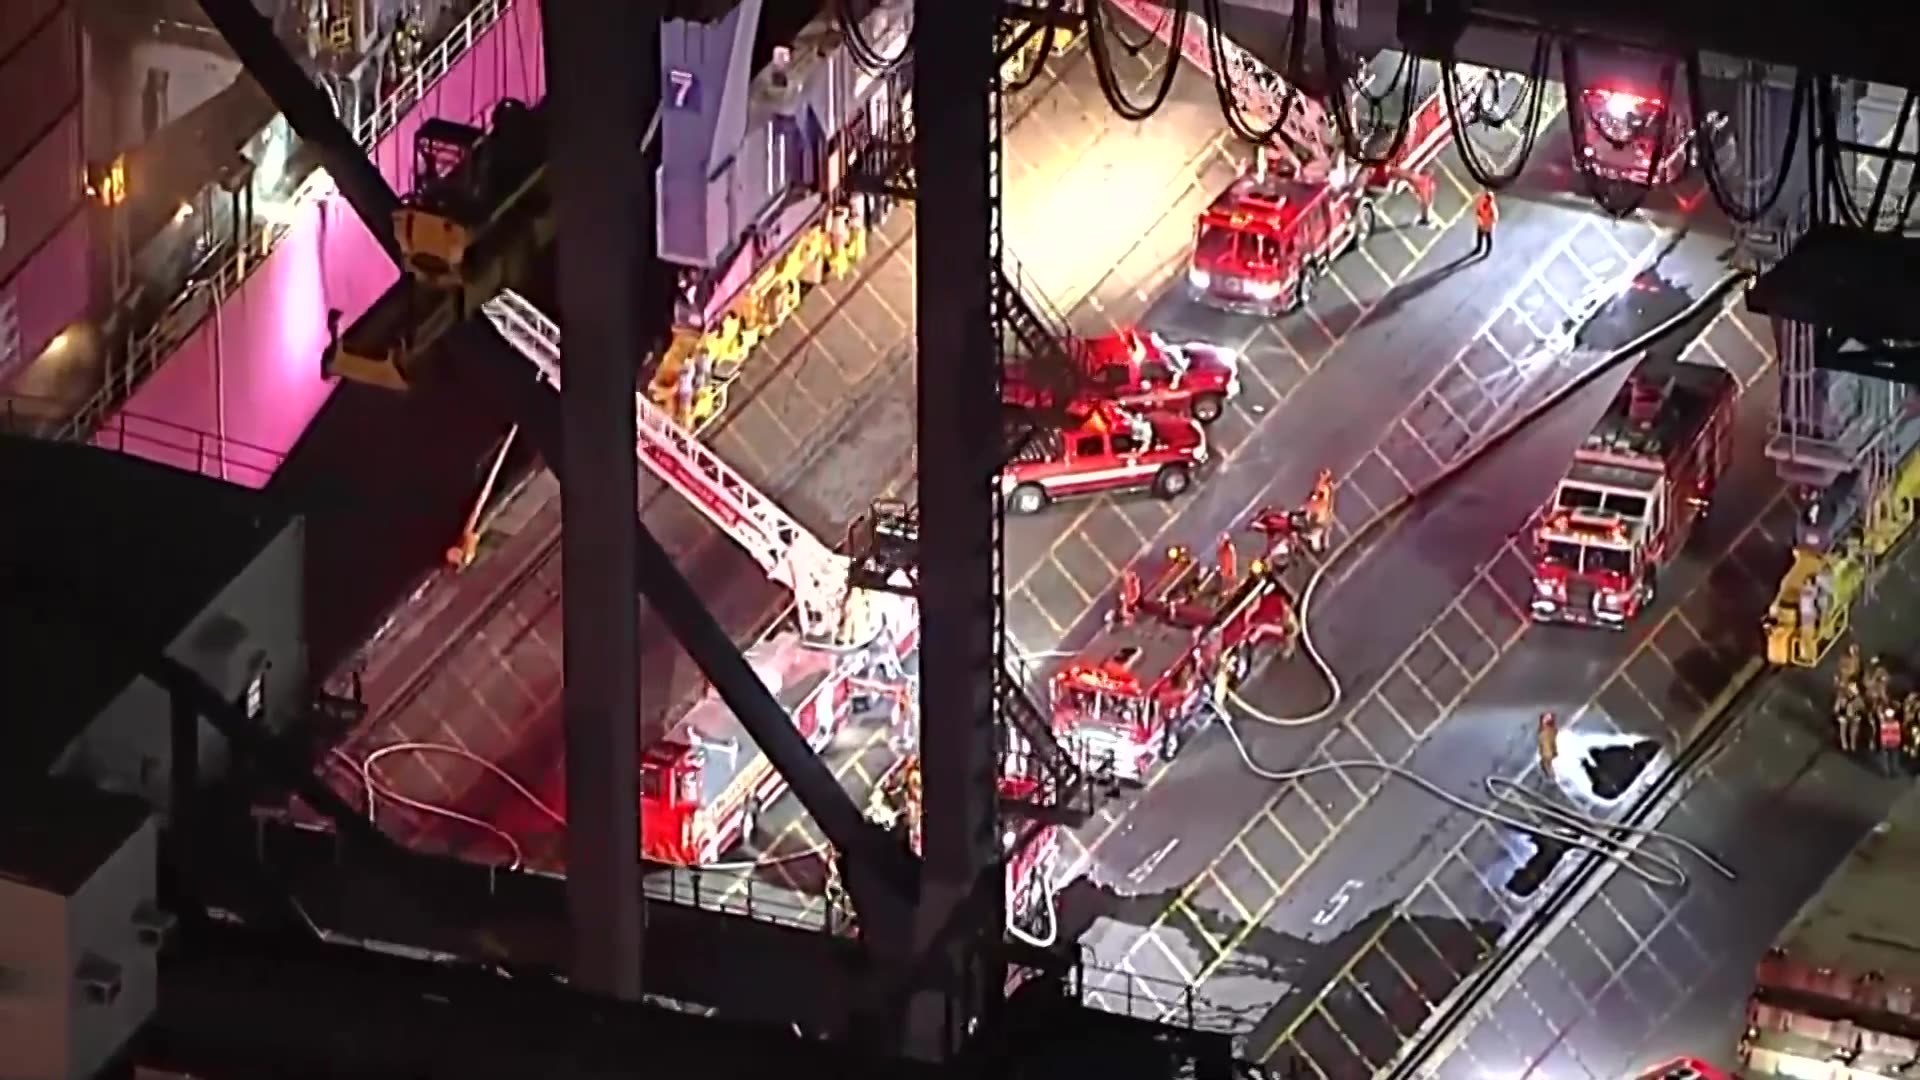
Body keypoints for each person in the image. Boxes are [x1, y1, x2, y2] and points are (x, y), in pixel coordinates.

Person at [1880, 701, 1906, 776]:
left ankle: (1887, 771)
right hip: (1894, 743)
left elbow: (1883, 734)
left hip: (1888, 743)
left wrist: (1883, 742)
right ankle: (1892, 770)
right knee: (1894, 757)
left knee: (1886, 758)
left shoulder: (1884, 724)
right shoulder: (1896, 723)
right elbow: (1897, 734)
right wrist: (1898, 741)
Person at [1472, 190, 1498, 257]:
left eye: (1489, 198)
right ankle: (1478, 248)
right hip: (1482, 223)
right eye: (1487, 197)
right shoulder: (1482, 203)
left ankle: (1487, 251)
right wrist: (1480, 221)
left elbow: (1494, 219)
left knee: (1488, 238)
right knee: (1479, 236)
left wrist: (1488, 226)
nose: (1487, 200)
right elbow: (1478, 212)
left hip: (1488, 225)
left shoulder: (1492, 208)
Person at [1536, 711, 1559, 776]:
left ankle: (1548, 772)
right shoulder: (1545, 732)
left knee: (1547, 758)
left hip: (1548, 752)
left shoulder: (1550, 731)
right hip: (1547, 752)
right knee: (1547, 758)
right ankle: (1548, 772)